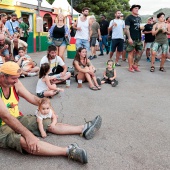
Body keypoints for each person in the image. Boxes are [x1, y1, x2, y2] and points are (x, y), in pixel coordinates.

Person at [0, 61, 102, 164]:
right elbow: (6, 116)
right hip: (2, 128)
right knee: (25, 141)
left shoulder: (15, 83)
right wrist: (28, 135)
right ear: (3, 76)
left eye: (18, 77)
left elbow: (31, 97)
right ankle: (68, 151)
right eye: (14, 78)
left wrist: (45, 105)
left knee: (46, 121)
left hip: (16, 118)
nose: (17, 81)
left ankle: (83, 128)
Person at [125, 4, 143, 72]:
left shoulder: (139, 18)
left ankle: (135, 65)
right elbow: (127, 29)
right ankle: (130, 67)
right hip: (131, 38)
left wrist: (141, 31)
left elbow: (139, 27)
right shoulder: (129, 18)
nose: (137, 9)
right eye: (135, 8)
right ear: (132, 9)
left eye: (138, 8)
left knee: (140, 51)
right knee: (131, 53)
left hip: (138, 38)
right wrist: (129, 38)